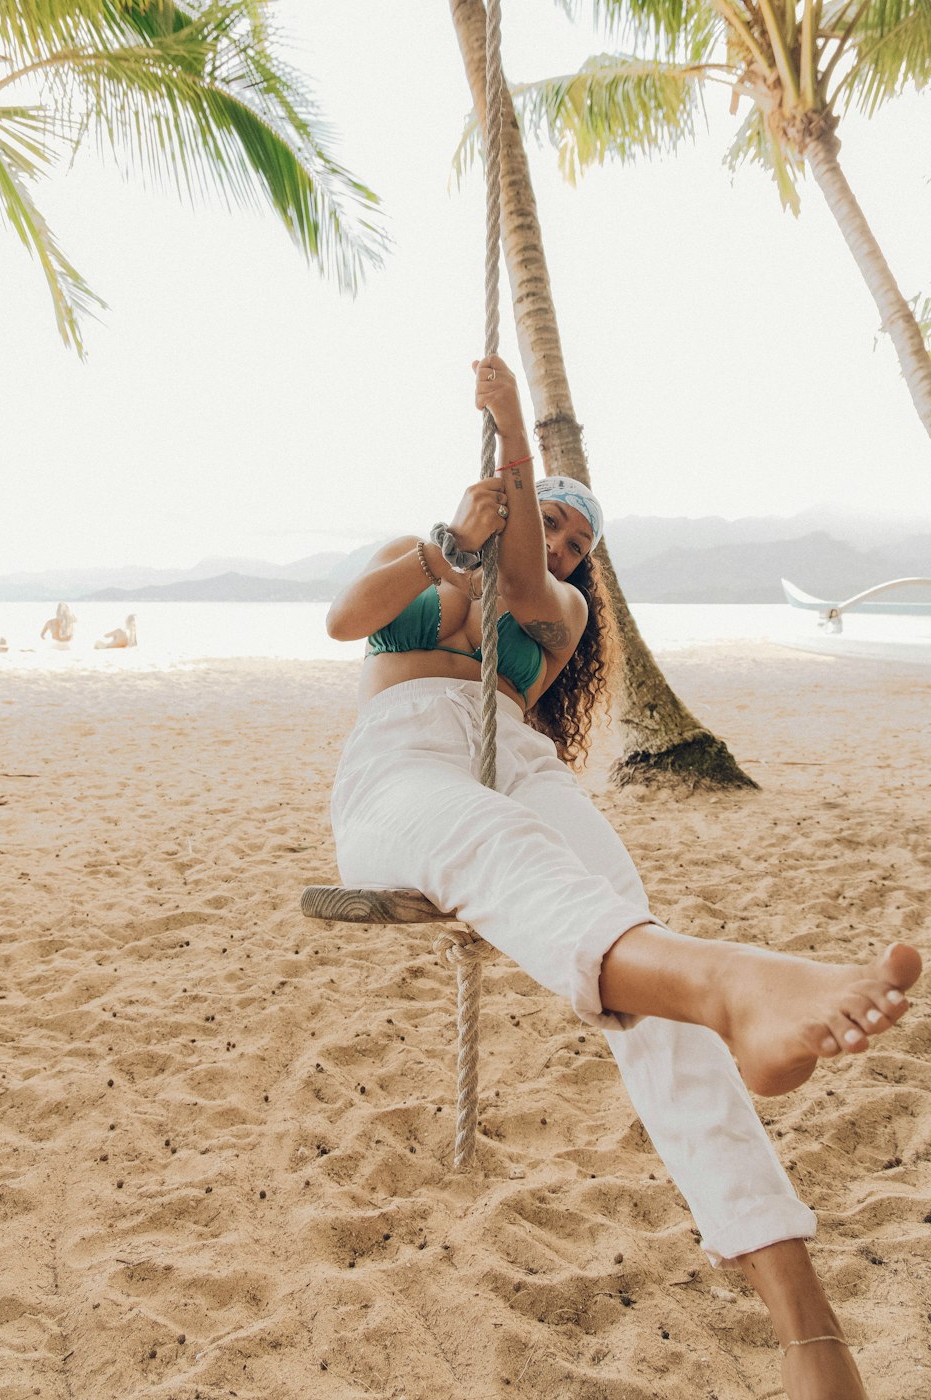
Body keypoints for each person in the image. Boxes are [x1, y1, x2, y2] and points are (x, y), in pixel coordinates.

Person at [324, 354, 922, 1400]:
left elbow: (511, 581)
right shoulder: (423, 556)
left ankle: (805, 1324)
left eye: (576, 540)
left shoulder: (552, 608)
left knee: (650, 978)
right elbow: (346, 615)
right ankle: (738, 982)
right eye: (551, 518)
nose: (559, 543)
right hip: (400, 767)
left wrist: (515, 438)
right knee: (500, 853)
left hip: (513, 755)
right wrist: (445, 543)